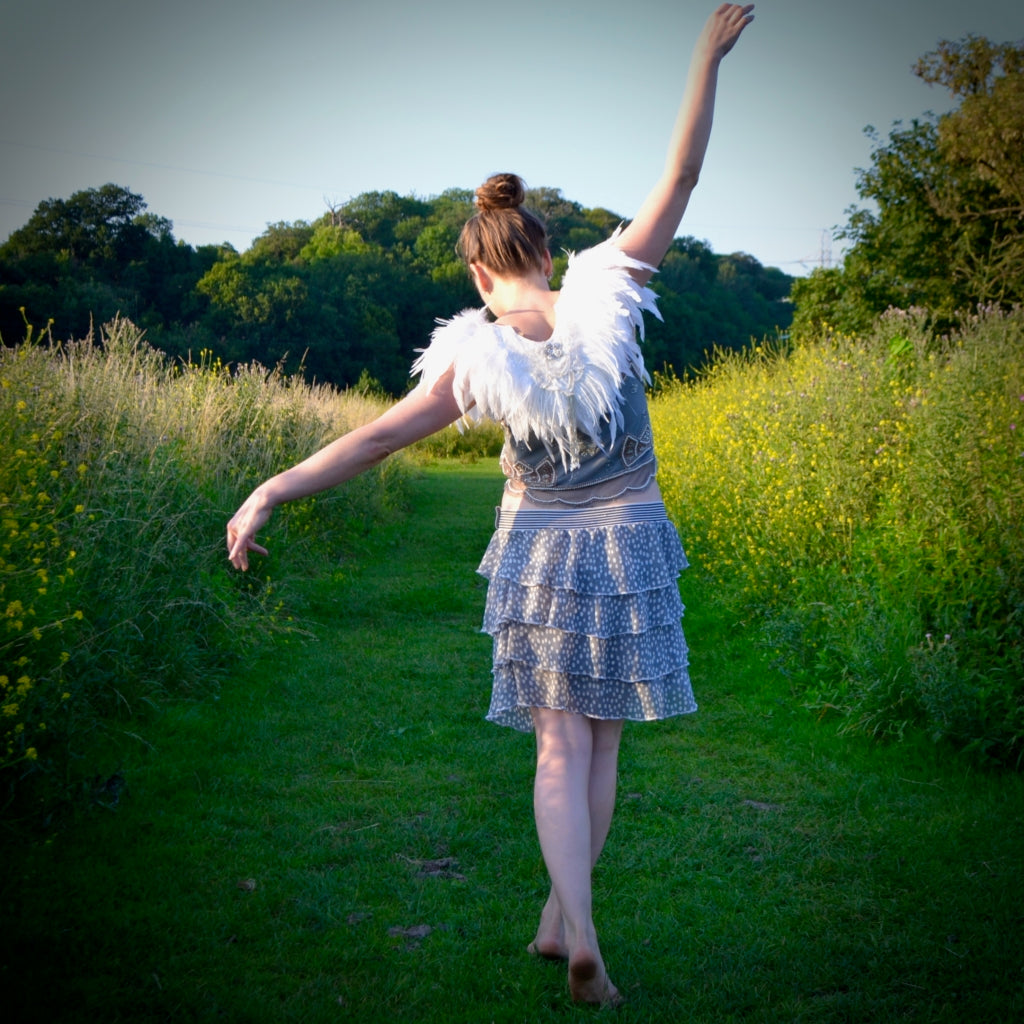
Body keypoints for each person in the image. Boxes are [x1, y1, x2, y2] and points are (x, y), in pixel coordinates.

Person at [227, 4, 753, 1005]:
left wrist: (270, 486)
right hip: (630, 537)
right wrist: (702, 57)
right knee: (601, 738)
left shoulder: (473, 350)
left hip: (540, 550)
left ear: (477, 270)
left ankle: (574, 924)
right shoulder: (611, 287)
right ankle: (567, 924)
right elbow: (679, 178)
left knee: (555, 741)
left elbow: (375, 438)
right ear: (547, 250)